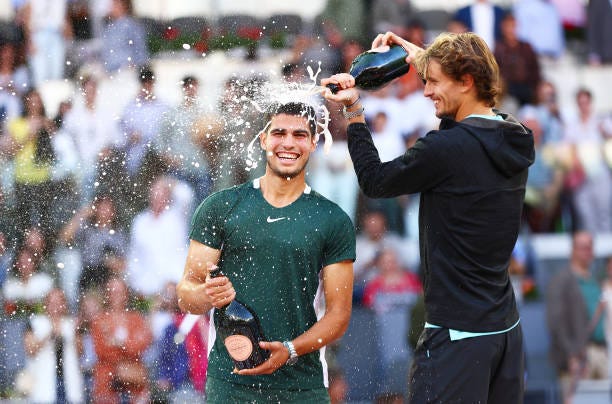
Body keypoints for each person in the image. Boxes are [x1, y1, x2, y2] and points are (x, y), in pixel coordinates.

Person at [322, 31, 534, 403]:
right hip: (505, 333)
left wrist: (354, 111)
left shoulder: (445, 148)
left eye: (434, 81)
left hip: (455, 339)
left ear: (466, 81)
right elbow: (474, 106)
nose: (425, 91)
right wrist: (426, 59)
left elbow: (374, 180)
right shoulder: (515, 134)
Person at [176, 101, 356, 403]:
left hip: (302, 386)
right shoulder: (221, 207)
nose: (288, 143)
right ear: (263, 139)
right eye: (279, 133)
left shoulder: (332, 219)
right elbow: (186, 293)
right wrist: (208, 295)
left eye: (299, 135)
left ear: (313, 142)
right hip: (231, 385)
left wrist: (291, 349)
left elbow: (339, 315)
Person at [546, 231, 607, 404]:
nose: (588, 251)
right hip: (577, 358)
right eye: (583, 247)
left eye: (590, 247)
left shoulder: (595, 280)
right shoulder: (561, 280)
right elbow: (555, 322)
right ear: (572, 250)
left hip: (601, 353)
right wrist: (570, 354)